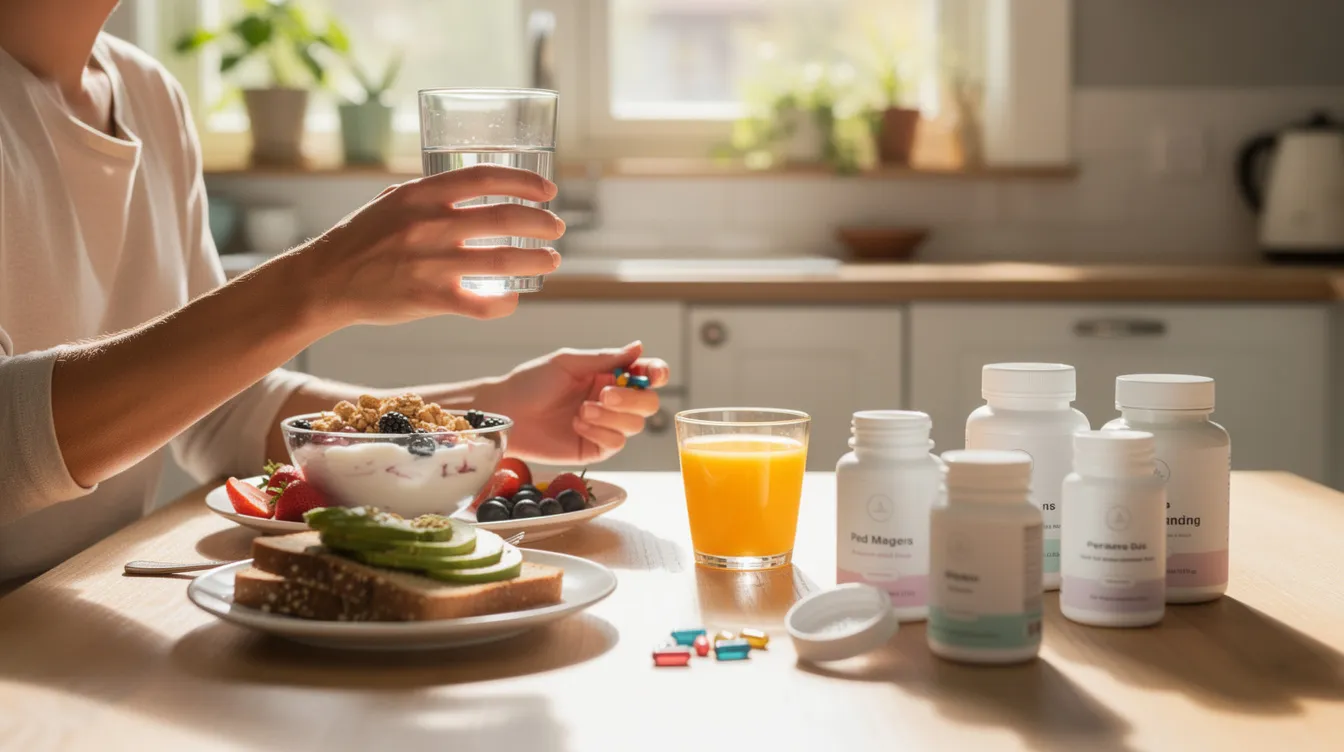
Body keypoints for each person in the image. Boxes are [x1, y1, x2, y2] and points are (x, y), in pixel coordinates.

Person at [0, 2, 669, 582]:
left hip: (88, 597)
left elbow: (221, 413)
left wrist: (482, 419)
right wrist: (318, 283)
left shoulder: (149, 96)